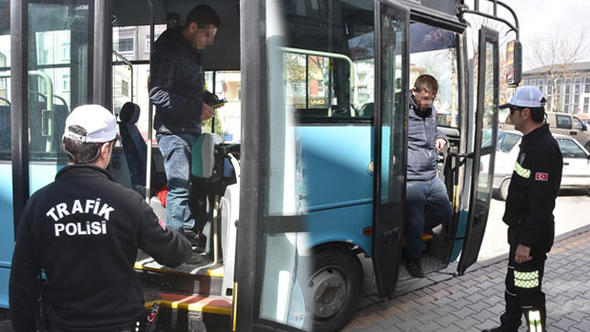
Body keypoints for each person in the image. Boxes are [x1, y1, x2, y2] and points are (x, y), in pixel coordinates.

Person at [9, 105, 193, 331]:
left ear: (65, 144)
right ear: (106, 149)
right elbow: (174, 253)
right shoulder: (129, 202)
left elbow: (22, 283)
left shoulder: (38, 204)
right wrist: (182, 237)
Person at [483, 86, 562, 332]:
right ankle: (509, 326)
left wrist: (525, 242)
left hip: (530, 239)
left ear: (525, 113)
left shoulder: (544, 149)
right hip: (519, 233)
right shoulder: (531, 143)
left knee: (529, 294)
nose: (510, 116)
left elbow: (541, 203)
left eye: (513, 111)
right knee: (514, 286)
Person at [149, 5, 220, 244]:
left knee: (188, 187)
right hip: (174, 131)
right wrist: (196, 108)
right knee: (179, 188)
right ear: (192, 27)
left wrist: (206, 98)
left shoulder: (188, 51)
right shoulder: (170, 49)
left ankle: (184, 236)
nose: (209, 42)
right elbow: (157, 93)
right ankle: (174, 247)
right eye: (207, 35)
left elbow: (184, 88)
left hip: (187, 129)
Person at [403, 74, 454, 278]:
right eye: (425, 99)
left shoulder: (431, 111)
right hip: (412, 178)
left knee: (446, 211)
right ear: (414, 92)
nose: (427, 104)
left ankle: (410, 231)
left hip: (431, 176)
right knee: (415, 223)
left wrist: (441, 138)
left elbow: (435, 131)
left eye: (431, 99)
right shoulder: (401, 111)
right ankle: (413, 259)